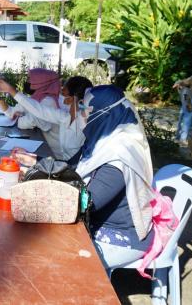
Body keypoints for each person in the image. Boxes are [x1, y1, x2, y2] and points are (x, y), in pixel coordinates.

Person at [74, 85, 155, 270]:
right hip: (101, 221)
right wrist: (38, 163)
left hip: (123, 235)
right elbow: (72, 166)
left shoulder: (119, 154)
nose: (81, 115)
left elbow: (85, 204)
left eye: (86, 110)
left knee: (62, 253)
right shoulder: (103, 139)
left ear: (105, 114)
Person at [6, 76, 94, 164]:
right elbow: (39, 110)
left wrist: (33, 159)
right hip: (60, 166)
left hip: (71, 171)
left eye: (63, 92)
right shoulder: (65, 117)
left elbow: (72, 165)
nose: (59, 94)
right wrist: (11, 90)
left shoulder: (84, 127)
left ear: (72, 99)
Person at [0, 69, 63, 159]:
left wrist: (21, 118)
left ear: (40, 82)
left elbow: (30, 121)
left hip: (54, 154)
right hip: (42, 146)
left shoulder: (49, 101)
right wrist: (0, 101)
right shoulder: (34, 98)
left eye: (30, 79)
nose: (27, 82)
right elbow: (12, 113)